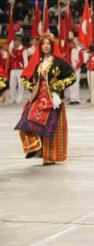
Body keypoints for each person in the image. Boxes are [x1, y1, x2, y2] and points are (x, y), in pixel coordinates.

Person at [14, 33, 77, 165]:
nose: (46, 46)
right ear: (40, 46)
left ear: (52, 46)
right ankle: (35, 147)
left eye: (48, 44)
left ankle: (50, 157)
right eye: (43, 44)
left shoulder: (60, 62)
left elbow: (72, 77)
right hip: (39, 98)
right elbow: (26, 78)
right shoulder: (37, 63)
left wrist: (56, 86)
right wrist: (33, 87)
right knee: (25, 122)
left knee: (51, 128)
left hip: (53, 99)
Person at [8, 36, 28, 104]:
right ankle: (12, 98)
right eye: (16, 41)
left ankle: (19, 99)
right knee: (12, 84)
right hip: (13, 69)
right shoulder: (11, 49)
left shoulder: (23, 49)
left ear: (20, 42)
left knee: (20, 84)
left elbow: (25, 59)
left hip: (20, 69)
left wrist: (25, 68)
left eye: (18, 41)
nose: (17, 42)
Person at [66, 39, 83, 105]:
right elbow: (67, 58)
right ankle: (72, 98)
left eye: (69, 44)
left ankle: (76, 99)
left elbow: (81, 60)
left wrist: (77, 67)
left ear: (72, 43)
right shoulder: (68, 49)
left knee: (76, 84)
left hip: (76, 69)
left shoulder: (79, 49)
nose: (69, 45)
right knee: (71, 84)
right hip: (70, 68)